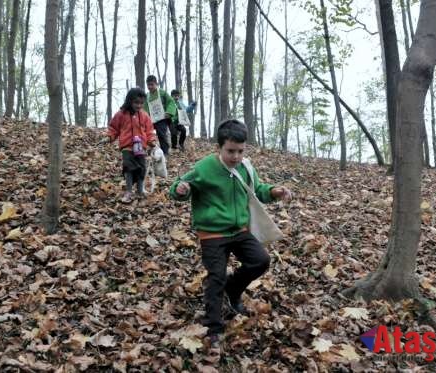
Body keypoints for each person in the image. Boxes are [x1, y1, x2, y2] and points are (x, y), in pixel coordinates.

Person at [169, 119, 292, 346]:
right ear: (219, 147)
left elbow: (259, 190)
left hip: (240, 230)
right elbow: (179, 187)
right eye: (230, 151)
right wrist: (180, 189)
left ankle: (233, 290)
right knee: (216, 276)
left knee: (260, 261)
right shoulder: (204, 167)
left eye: (240, 151)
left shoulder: (245, 167)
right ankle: (213, 327)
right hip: (213, 233)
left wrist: (274, 191)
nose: (235, 157)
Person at [101, 88, 156, 203]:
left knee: (141, 169)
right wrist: (109, 137)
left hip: (141, 147)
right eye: (136, 102)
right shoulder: (121, 114)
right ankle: (129, 191)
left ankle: (140, 190)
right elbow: (113, 128)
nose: (139, 105)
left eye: (141, 103)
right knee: (129, 168)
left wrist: (152, 140)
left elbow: (149, 130)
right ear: (129, 101)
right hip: (127, 146)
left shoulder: (144, 116)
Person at [143, 75, 177, 156]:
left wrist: (169, 112)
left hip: (162, 118)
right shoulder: (147, 96)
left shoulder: (162, 92)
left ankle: (165, 152)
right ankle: (148, 149)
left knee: (161, 133)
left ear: (156, 84)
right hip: (151, 119)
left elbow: (171, 102)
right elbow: (144, 108)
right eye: (148, 85)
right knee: (146, 133)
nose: (150, 87)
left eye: (152, 84)